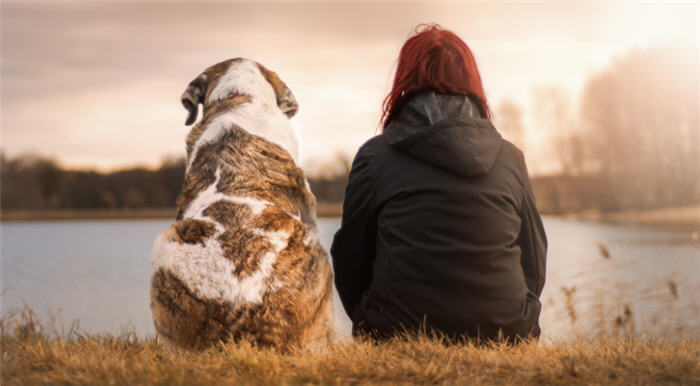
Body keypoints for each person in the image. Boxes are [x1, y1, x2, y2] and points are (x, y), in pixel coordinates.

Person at [330, 24, 547, 342]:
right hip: (506, 332)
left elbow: (350, 258)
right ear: (472, 81)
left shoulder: (375, 157)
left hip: (397, 332)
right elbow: (535, 259)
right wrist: (519, 314)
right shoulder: (510, 158)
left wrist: (369, 319)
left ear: (405, 81)